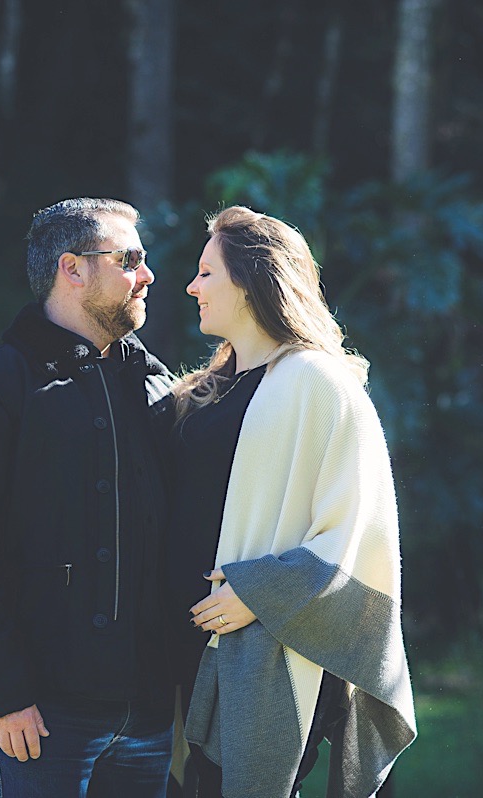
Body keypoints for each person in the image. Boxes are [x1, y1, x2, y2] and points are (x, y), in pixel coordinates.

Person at [0, 198, 177, 798]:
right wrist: (1, 695)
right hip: (40, 717)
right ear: (73, 269)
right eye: (129, 260)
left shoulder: (158, 387)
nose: (147, 275)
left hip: (150, 714)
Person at [166, 206, 417, 798]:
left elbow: (354, 531)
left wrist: (257, 593)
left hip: (267, 645)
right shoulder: (209, 389)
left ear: (250, 281)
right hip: (190, 644)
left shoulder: (319, 383)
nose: (192, 287)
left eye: (207, 273)